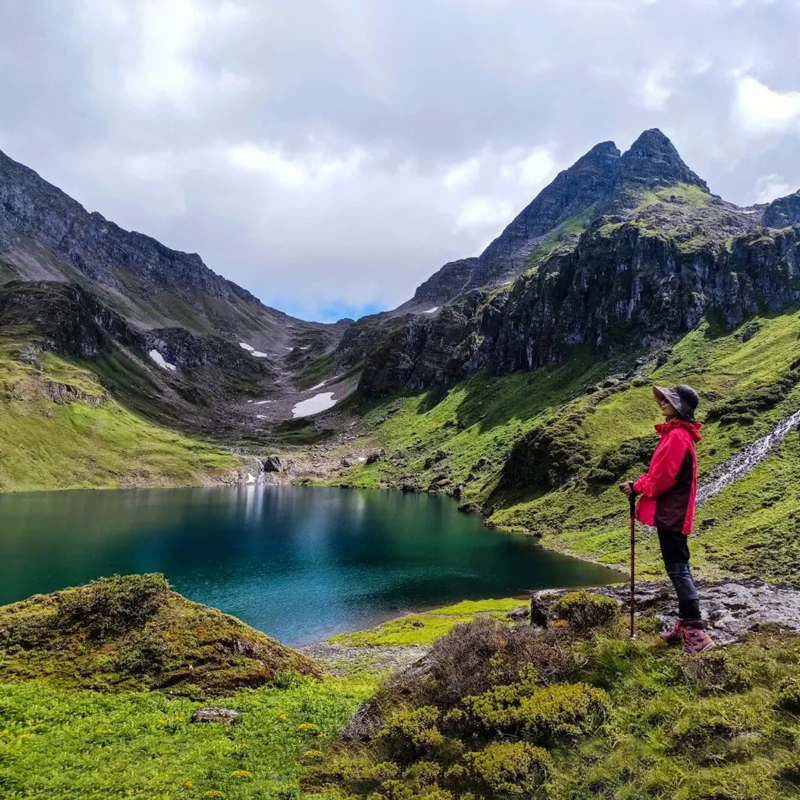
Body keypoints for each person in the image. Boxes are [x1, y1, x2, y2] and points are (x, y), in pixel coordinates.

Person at [619, 384, 714, 655]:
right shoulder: (677, 435)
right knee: (677, 566)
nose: (661, 403)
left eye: (668, 400)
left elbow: (662, 478)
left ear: (680, 407)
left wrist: (637, 487)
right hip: (672, 511)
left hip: (672, 511)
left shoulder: (677, 438)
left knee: (678, 569)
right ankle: (685, 625)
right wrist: (638, 484)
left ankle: (696, 632)